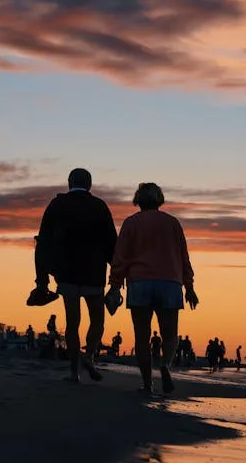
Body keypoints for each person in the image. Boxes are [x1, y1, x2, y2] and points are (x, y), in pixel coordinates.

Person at [107, 182, 199, 396]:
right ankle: (166, 364)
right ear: (160, 199)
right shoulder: (173, 223)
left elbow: (120, 258)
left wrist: (114, 286)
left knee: (142, 336)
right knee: (170, 334)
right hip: (170, 282)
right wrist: (190, 286)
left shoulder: (131, 223)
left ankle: (148, 384)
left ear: (138, 199)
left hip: (140, 283)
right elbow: (184, 257)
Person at [33, 168, 118, 383]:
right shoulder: (99, 206)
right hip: (94, 273)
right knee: (97, 319)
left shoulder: (57, 205)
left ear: (70, 183)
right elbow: (112, 244)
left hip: (66, 273)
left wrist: (42, 280)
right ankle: (89, 355)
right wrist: (116, 279)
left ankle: (74, 372)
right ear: (89, 184)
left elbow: (42, 243)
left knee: (73, 322)